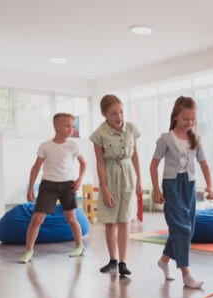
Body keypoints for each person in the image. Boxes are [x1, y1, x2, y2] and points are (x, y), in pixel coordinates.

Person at [150, 96, 213, 289]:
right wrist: (156, 190)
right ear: (176, 117)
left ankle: (163, 261)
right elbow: (153, 165)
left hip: (189, 186)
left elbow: (204, 163)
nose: (190, 122)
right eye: (186, 118)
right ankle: (186, 273)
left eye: (193, 118)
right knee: (183, 229)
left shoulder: (195, 139)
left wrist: (210, 186)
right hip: (171, 186)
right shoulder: (166, 139)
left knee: (186, 228)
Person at [19, 113, 86, 264]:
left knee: (71, 218)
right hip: (48, 185)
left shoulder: (73, 145)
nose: (71, 129)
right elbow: (36, 167)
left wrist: (79, 179)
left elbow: (84, 164)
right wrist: (30, 188)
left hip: (67, 185)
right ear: (56, 127)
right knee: (37, 219)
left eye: (73, 126)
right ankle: (29, 251)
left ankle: (79, 246)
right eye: (67, 126)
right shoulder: (45, 146)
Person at [90, 94, 142, 276]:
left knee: (125, 221)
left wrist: (139, 179)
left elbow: (135, 155)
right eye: (113, 113)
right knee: (110, 223)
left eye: (120, 111)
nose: (119, 116)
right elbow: (100, 162)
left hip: (128, 175)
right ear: (104, 114)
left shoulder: (132, 129)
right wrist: (103, 188)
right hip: (109, 176)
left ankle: (123, 263)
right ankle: (112, 259)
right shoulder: (99, 134)